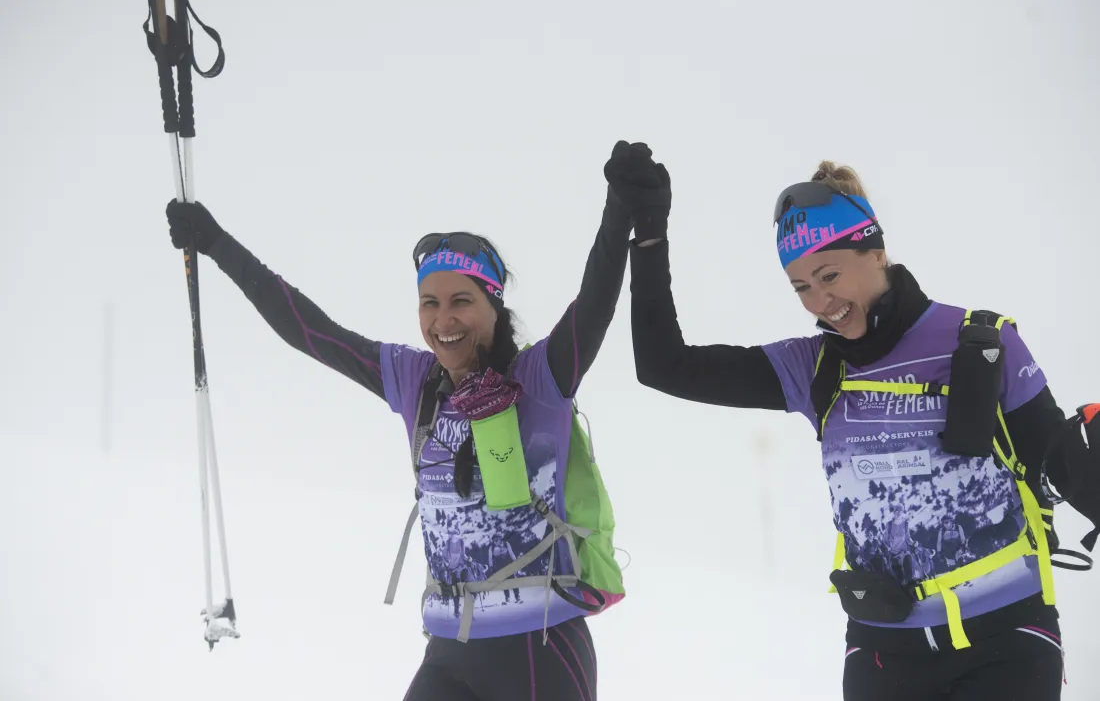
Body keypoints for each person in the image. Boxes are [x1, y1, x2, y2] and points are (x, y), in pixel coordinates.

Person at [163, 140, 669, 701]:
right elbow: (310, 331)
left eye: (461, 301)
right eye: (429, 303)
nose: (443, 320)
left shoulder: (540, 378)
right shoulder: (416, 382)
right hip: (449, 650)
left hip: (541, 649)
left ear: (494, 307)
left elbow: (593, 305)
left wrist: (618, 210)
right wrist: (215, 243)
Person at [628, 158, 1090, 700]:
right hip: (882, 648)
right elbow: (663, 367)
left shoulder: (982, 343)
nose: (820, 302)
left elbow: (1059, 462)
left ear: (876, 252)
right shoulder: (814, 368)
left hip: (1007, 637)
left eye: (829, 276)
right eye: (800, 287)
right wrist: (650, 237)